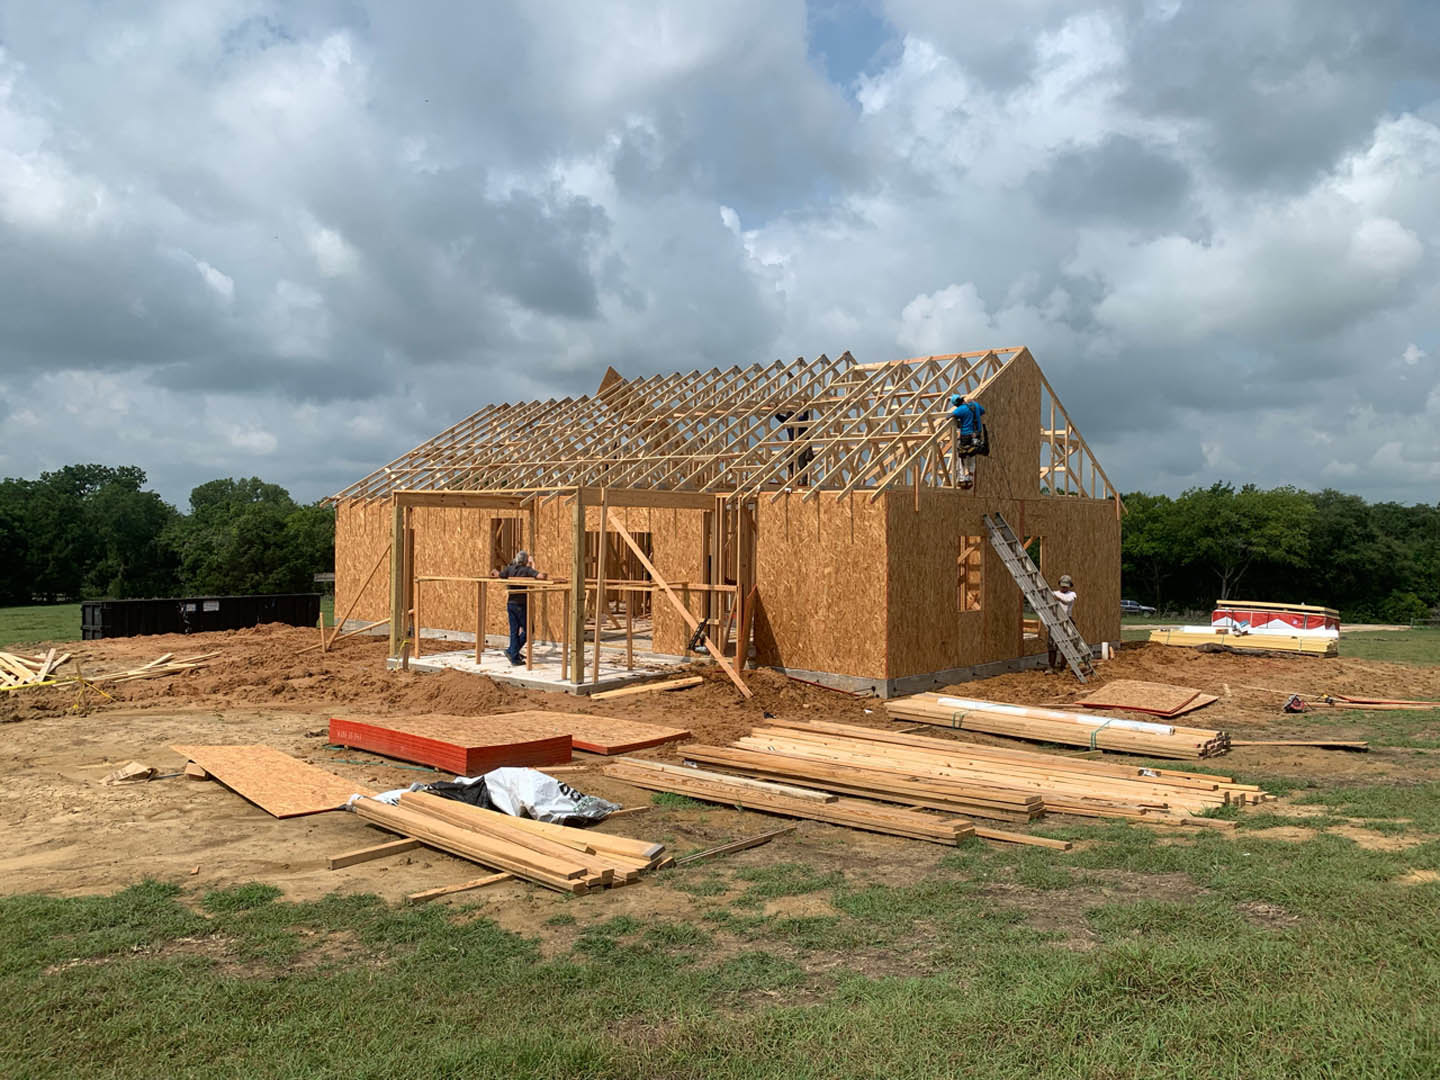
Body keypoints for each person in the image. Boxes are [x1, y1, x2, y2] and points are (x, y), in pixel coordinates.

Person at [497, 550, 547, 665]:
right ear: (525, 561)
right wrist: (532, 564)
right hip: (521, 605)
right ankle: (512, 652)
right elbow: (540, 576)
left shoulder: (510, 568)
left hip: (511, 603)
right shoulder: (526, 570)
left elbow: (499, 575)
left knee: (514, 631)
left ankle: (513, 653)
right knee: (529, 630)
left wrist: (495, 572)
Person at [1047, 574, 1077, 672]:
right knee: (1052, 645)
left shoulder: (1072, 594)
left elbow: (1067, 601)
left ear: (1069, 586)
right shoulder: (1054, 593)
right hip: (1055, 620)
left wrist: (1057, 598)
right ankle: (1051, 666)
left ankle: (1062, 667)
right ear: (1059, 584)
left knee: (1066, 645)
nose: (1064, 588)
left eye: (1066, 586)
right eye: (1063, 585)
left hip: (1067, 620)